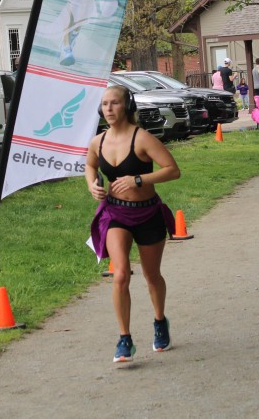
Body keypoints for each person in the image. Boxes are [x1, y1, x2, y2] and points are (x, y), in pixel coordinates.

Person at [86, 84, 181, 363]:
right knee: (120, 275)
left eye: (114, 103)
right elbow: (90, 165)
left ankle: (160, 321)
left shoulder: (142, 139)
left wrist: (138, 179)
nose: (109, 109)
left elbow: (173, 170)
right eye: (105, 104)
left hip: (147, 213)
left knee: (152, 276)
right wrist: (92, 185)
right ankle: (124, 338)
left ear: (127, 106)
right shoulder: (98, 142)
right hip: (116, 214)